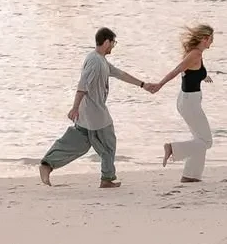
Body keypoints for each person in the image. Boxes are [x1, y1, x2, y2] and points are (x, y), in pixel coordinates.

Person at [38, 27, 152, 188]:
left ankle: (47, 164)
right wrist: (74, 107)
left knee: (78, 143)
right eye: (113, 43)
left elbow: (120, 74)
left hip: (88, 113)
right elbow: (83, 85)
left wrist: (143, 84)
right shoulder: (96, 62)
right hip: (95, 113)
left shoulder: (99, 59)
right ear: (106, 42)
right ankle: (107, 178)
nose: (113, 46)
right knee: (108, 144)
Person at [149, 24, 215, 183]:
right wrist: (159, 85)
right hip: (189, 102)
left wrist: (203, 76)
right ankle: (172, 148)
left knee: (199, 139)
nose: (212, 42)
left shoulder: (196, 53)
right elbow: (177, 70)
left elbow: (191, 73)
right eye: (211, 39)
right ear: (204, 39)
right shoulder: (195, 54)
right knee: (206, 141)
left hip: (188, 100)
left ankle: (190, 176)